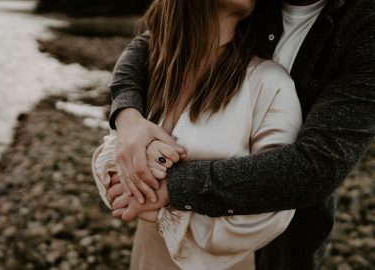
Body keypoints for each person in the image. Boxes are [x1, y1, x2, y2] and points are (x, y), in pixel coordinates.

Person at [102, 0, 375, 268]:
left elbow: (318, 166)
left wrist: (169, 189)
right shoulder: (248, 6)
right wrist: (128, 118)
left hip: (276, 237)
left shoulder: (363, 25)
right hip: (158, 241)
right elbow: (152, 42)